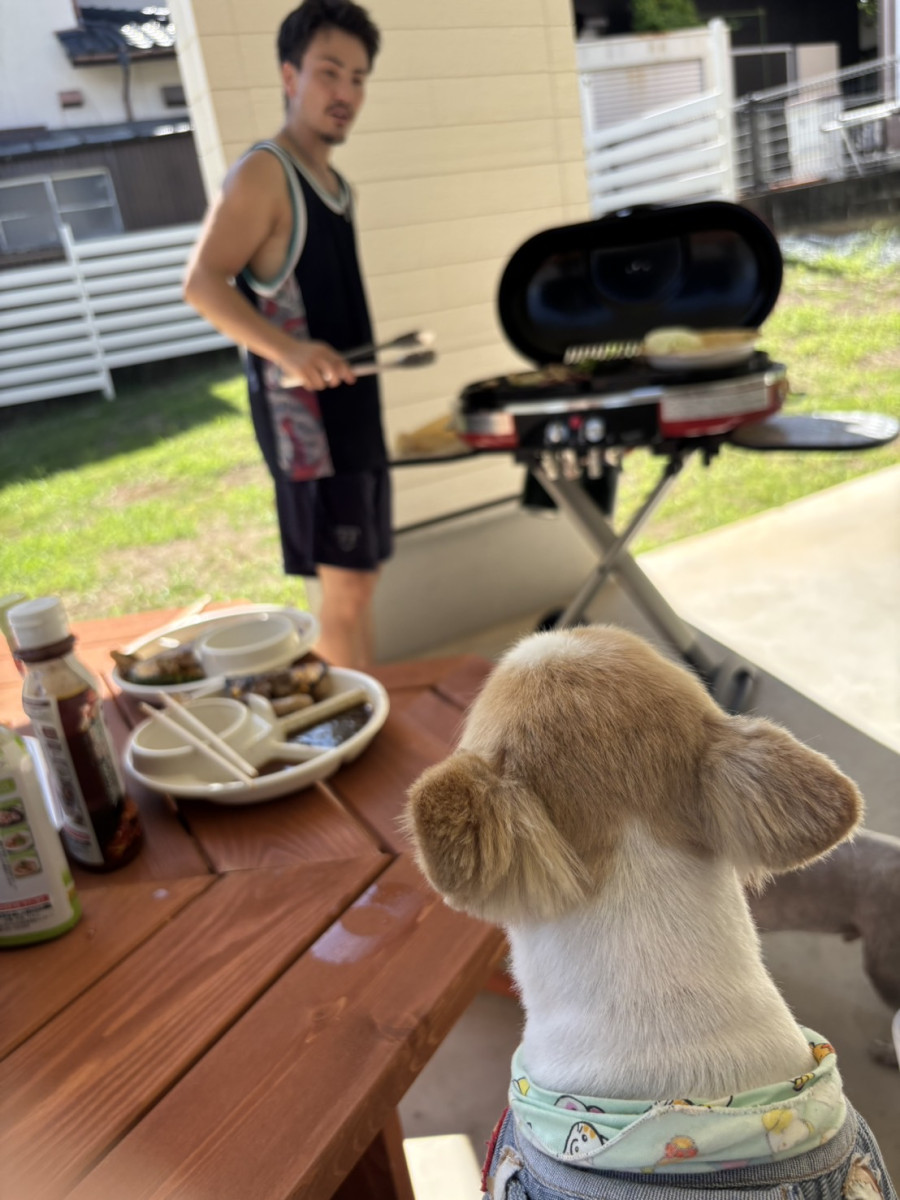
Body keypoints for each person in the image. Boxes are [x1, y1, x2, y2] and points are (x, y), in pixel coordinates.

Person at [183, 0, 388, 670]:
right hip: (309, 426)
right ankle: (353, 725)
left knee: (362, 583)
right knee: (345, 587)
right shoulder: (265, 173)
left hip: (353, 407)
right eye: (330, 72)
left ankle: (365, 710)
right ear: (289, 75)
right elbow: (203, 283)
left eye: (358, 78)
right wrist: (290, 350)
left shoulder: (338, 185)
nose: (346, 93)